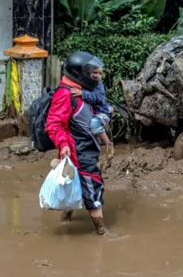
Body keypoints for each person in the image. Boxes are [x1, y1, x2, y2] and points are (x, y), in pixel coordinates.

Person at [46, 51, 109, 235]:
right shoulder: (65, 94)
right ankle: (102, 231)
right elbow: (54, 124)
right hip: (79, 152)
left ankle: (65, 221)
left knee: (71, 185)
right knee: (93, 187)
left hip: (83, 149)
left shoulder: (83, 90)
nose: (96, 77)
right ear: (81, 74)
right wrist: (63, 144)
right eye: (92, 74)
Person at [70, 56, 114, 155]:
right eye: (95, 73)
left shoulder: (99, 85)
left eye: (100, 73)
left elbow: (98, 98)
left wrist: (82, 94)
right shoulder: (86, 84)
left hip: (102, 112)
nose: (98, 76)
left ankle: (108, 143)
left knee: (94, 124)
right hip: (94, 113)